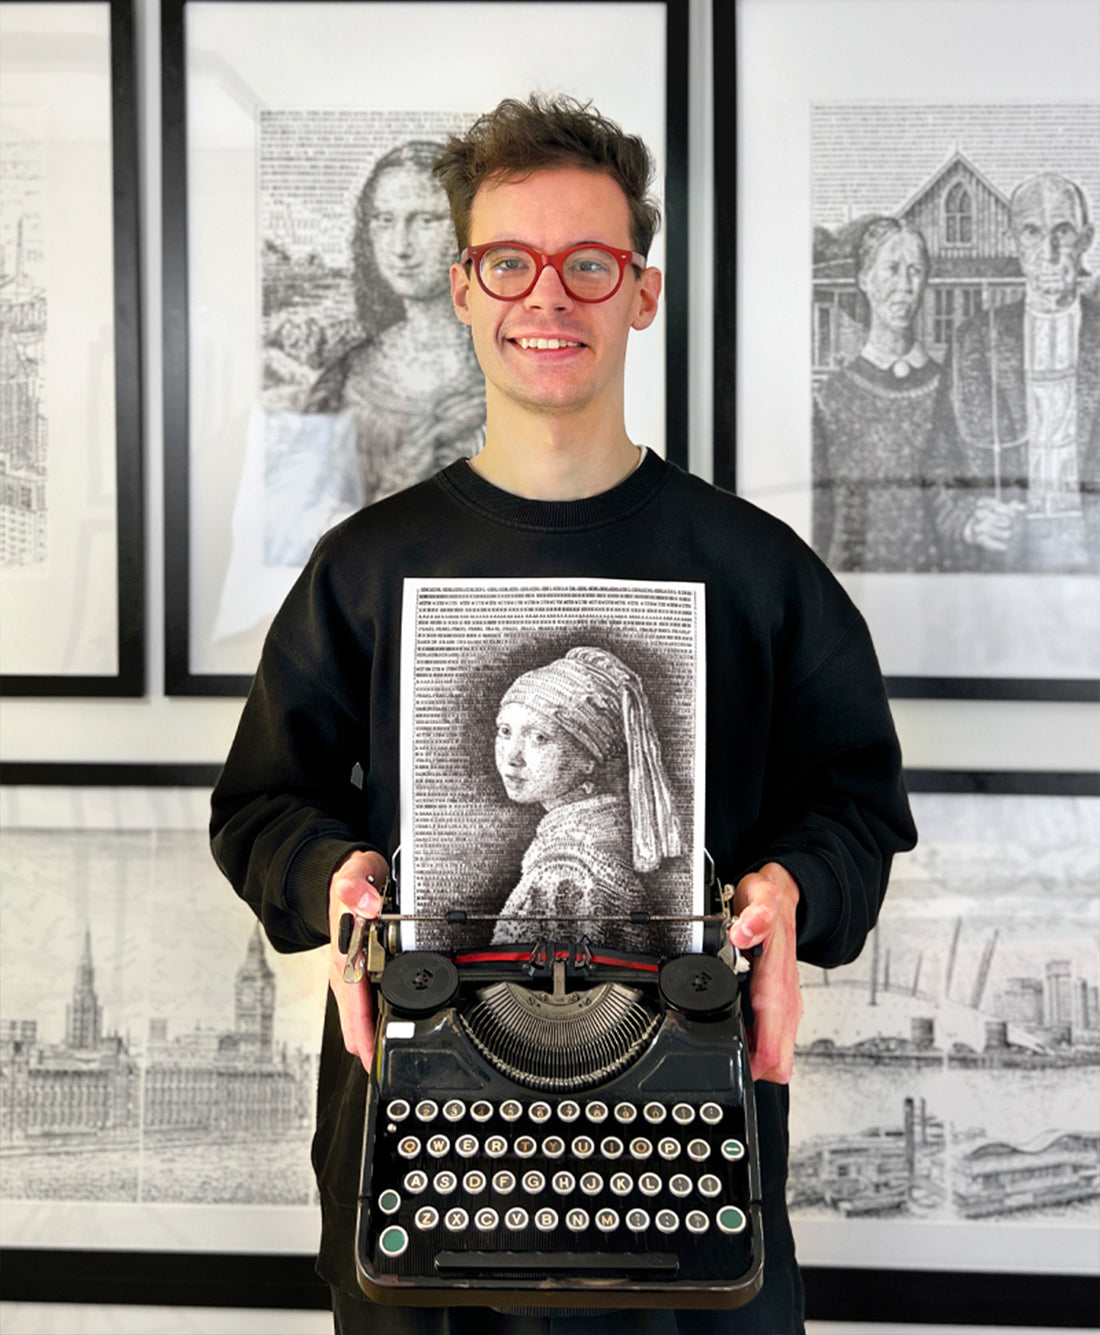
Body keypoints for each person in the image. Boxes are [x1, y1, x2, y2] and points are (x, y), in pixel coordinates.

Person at [211, 94, 916, 1334]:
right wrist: (334, 876)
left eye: (588, 263)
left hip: (685, 1137)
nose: (548, 296)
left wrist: (793, 887)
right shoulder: (362, 566)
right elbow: (263, 805)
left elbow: (855, 805)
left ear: (640, 292)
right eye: (509, 263)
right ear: (462, 289)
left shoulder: (759, 572)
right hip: (420, 1141)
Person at [304, 140, 486, 508]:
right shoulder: (342, 381)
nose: (401, 246)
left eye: (425, 220)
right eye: (384, 221)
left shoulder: (511, 370)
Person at [950, 172, 1099, 572]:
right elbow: (940, 463)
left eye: (1063, 232)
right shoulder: (975, 339)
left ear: (1086, 239)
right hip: (1008, 549)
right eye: (1032, 232)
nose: (1049, 252)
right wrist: (968, 521)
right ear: (1012, 240)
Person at [491, 645, 682, 951]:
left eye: (539, 737)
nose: (512, 756)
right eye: (505, 731)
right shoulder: (602, 832)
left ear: (588, 757)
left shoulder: (564, 872)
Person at [812, 218, 959, 572]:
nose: (905, 286)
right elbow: (818, 522)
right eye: (892, 269)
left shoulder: (951, 391)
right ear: (864, 278)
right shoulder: (830, 399)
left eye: (915, 271)